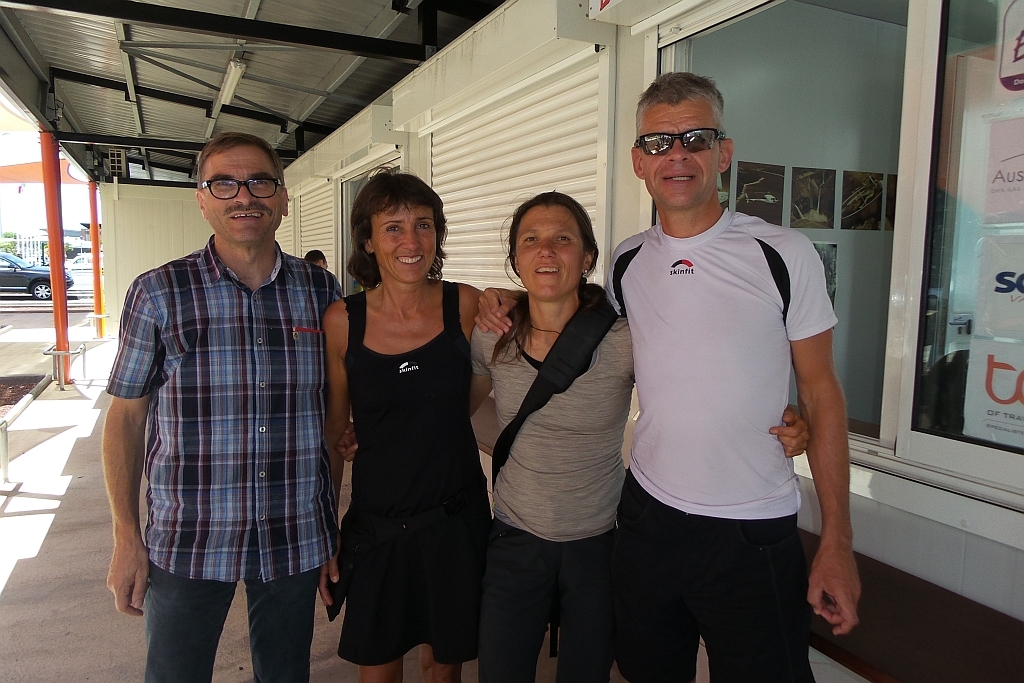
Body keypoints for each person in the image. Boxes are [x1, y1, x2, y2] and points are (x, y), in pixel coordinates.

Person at [479, 72, 860, 683]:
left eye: (695, 138)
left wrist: (837, 540)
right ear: (637, 161)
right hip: (648, 520)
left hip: (753, 529)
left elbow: (822, 390)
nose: (676, 154)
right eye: (658, 143)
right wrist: (496, 298)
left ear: (723, 153)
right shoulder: (629, 262)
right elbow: (572, 316)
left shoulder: (784, 254)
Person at [472, 192, 809, 683]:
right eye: (531, 241)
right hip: (514, 539)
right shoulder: (491, 334)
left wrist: (792, 415)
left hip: (599, 547)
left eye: (562, 239)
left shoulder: (624, 336)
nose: (546, 252)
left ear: (587, 257)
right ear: (516, 259)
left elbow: (700, 380)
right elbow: (458, 403)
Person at [102, 131, 341, 683]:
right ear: (202, 199)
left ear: (282, 198)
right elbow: (126, 419)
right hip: (188, 538)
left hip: (293, 533)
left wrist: (331, 531)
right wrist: (125, 536)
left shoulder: (321, 292)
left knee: (285, 675)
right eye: (224, 183)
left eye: (260, 181)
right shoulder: (158, 292)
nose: (244, 196)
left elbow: (333, 418)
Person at [321, 167, 491, 683]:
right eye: (393, 227)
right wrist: (328, 527)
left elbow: (476, 387)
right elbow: (335, 437)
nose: (410, 241)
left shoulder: (463, 304)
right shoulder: (341, 320)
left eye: (424, 224)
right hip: (378, 524)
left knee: (444, 665)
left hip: (454, 518)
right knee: (378, 667)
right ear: (368, 241)